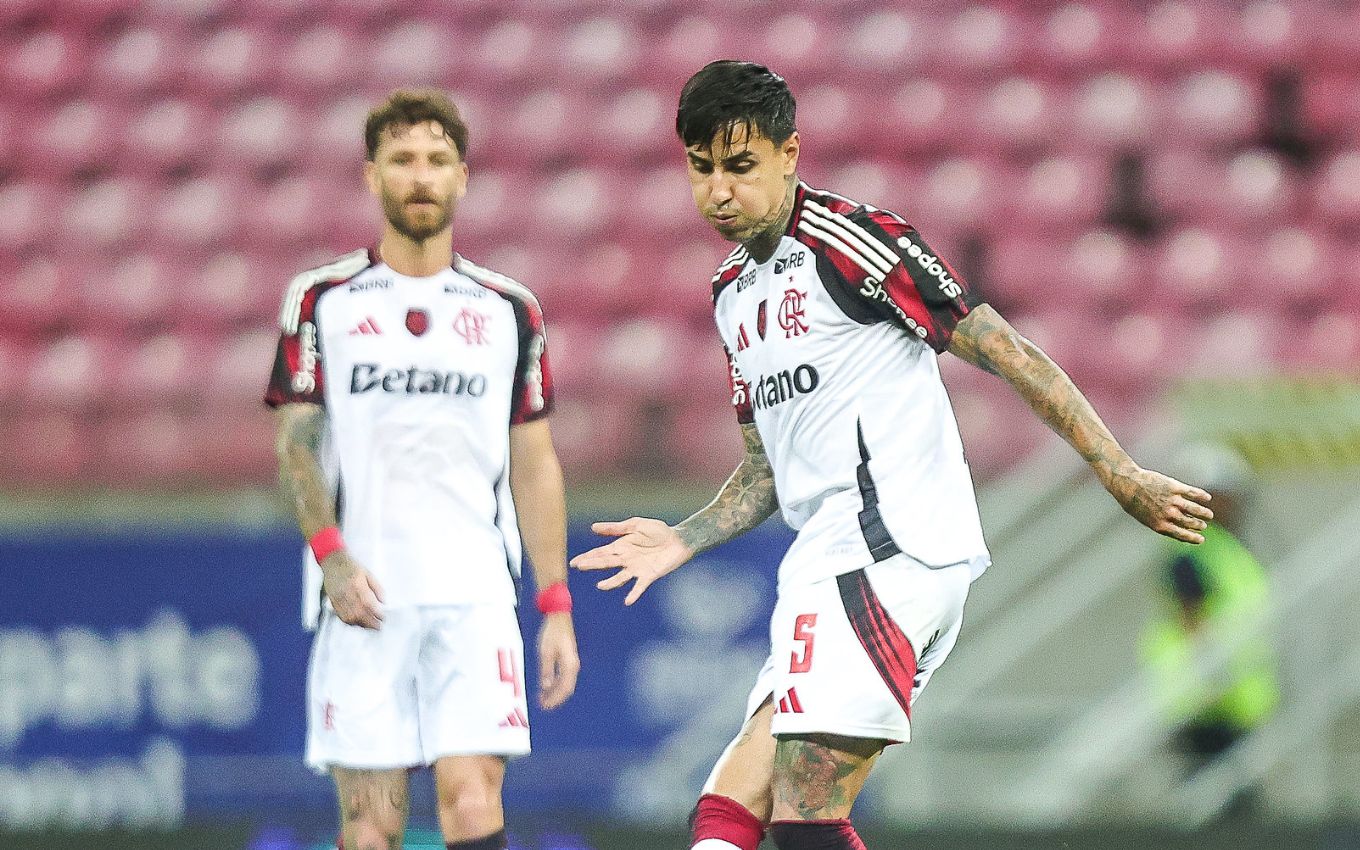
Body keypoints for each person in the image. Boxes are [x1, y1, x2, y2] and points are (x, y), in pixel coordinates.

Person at [572, 61, 1214, 850]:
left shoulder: (856, 245)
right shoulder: (731, 291)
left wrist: (1116, 467)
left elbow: (1002, 348)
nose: (718, 191)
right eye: (701, 169)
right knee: (730, 799)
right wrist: (684, 537)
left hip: (889, 550)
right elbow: (763, 471)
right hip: (826, 559)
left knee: (805, 816)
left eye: (740, 167)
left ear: (789, 153)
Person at [265, 89, 580, 850]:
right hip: (365, 596)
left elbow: (533, 462)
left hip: (474, 594)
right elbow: (295, 444)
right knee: (370, 827)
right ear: (371, 176)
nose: (420, 176)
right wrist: (331, 557)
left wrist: (556, 602)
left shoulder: (509, 308)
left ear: (462, 178)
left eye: (437, 161)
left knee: (473, 807)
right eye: (402, 160)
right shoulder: (323, 300)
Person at [1142, 443, 1278, 772]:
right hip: (1208, 700)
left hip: (1235, 698)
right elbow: (1192, 618)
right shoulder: (1191, 551)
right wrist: (1212, 677)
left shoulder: (1223, 548)